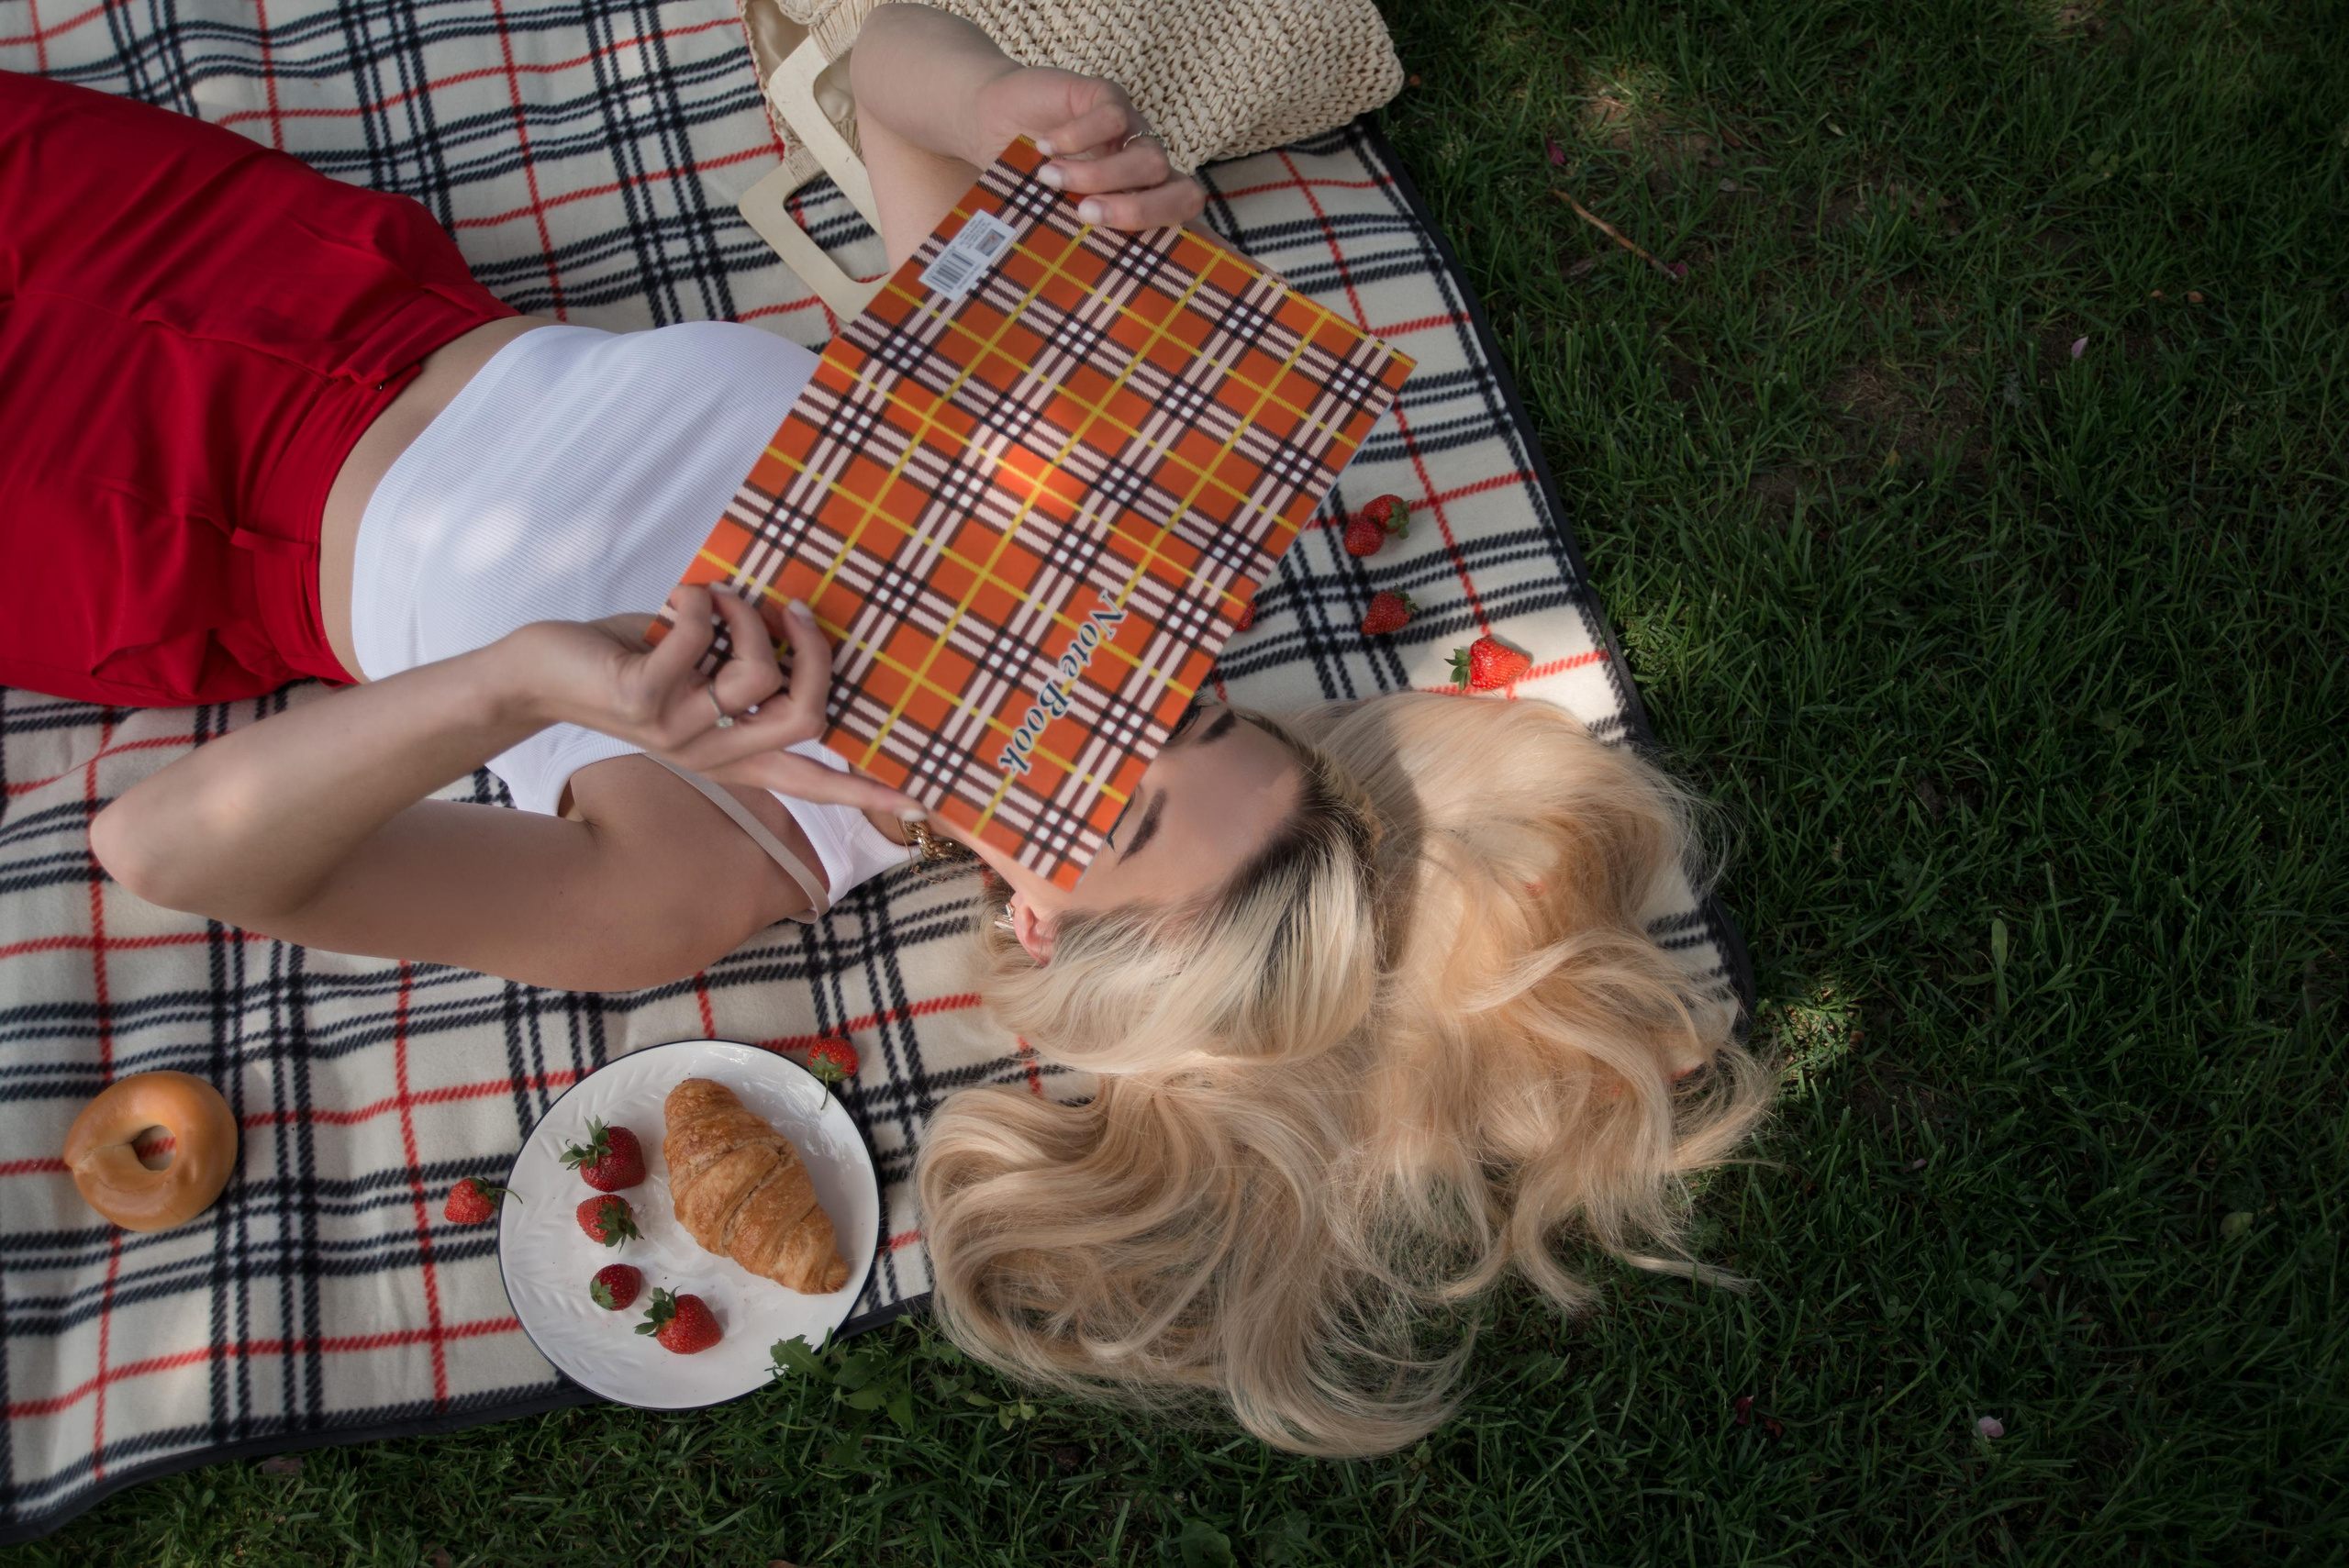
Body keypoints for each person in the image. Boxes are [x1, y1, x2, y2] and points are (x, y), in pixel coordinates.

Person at [5, 4, 1769, 1456]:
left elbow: (166, 849)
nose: (1118, 698)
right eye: (1193, 704)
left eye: (1116, 799)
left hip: (127, 502)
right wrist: (1007, 105)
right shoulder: (1027, 525)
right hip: (300, 269)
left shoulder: (712, 861)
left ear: (1038, 916)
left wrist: (522, 681)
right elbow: (880, 70)